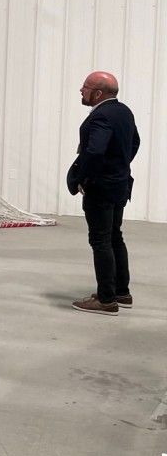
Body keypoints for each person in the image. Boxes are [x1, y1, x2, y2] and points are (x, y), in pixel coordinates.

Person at [68, 71, 140, 315]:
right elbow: (135, 142)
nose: (81, 90)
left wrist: (83, 178)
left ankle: (106, 299)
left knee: (100, 240)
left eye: (85, 87)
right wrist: (119, 165)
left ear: (98, 93)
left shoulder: (100, 116)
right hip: (120, 184)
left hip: (101, 188)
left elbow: (95, 151)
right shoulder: (124, 112)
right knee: (114, 236)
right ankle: (121, 292)